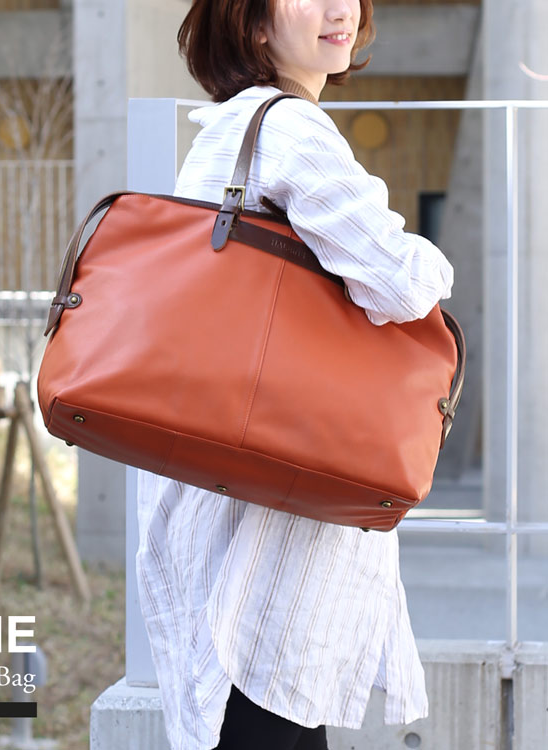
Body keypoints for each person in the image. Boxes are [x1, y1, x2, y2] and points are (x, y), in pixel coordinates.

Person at [135, 1, 455, 749]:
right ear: (252, 22)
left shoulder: (232, 129)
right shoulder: (290, 130)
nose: (340, 9)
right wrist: (439, 263)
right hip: (272, 528)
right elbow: (403, 282)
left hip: (231, 489)